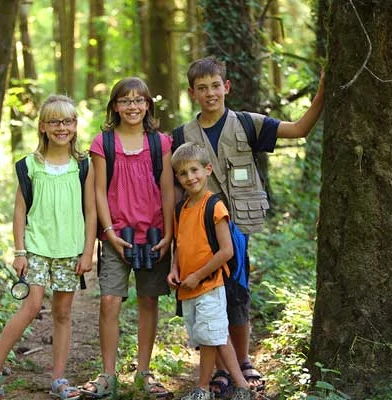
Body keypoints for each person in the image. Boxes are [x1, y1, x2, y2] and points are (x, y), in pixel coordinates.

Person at [171, 56, 325, 397]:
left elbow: (299, 129)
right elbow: (169, 186)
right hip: (198, 232)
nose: (210, 93)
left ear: (226, 87)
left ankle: (241, 361)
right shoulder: (181, 135)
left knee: (236, 294)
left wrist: (323, 91)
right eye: (202, 88)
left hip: (235, 228)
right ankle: (220, 371)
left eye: (215, 86)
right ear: (192, 92)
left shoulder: (246, 123)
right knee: (206, 297)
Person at [0, 94, 97, 400]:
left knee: (63, 312)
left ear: (75, 126)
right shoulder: (30, 165)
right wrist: (19, 251)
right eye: (54, 121)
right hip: (37, 248)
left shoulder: (83, 165)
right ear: (43, 126)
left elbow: (91, 211)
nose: (62, 127)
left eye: (68, 121)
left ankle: (58, 378)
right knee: (30, 306)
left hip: (69, 250)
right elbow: (20, 211)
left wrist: (87, 252)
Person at [81, 77, 175, 398]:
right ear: (115, 106)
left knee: (149, 300)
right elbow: (99, 193)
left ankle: (144, 373)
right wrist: (108, 233)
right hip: (116, 235)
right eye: (125, 101)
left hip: (153, 235)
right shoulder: (103, 143)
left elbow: (166, 190)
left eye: (138, 100)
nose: (132, 106)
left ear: (147, 105)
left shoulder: (160, 143)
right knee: (109, 301)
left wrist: (169, 235)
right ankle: (107, 375)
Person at [168, 142, 253, 400]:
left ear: (207, 170)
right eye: (183, 173)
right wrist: (174, 269)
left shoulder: (214, 206)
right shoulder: (180, 209)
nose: (189, 177)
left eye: (194, 170)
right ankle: (242, 386)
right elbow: (179, 245)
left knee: (208, 337)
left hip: (210, 284)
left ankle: (202, 388)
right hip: (189, 287)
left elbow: (226, 251)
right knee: (215, 335)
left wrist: (198, 276)